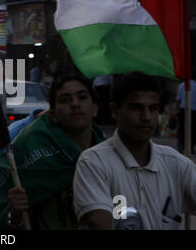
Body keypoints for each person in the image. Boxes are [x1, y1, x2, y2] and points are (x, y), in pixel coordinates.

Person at [73, 72, 196, 230]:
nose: (146, 117)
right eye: (136, 108)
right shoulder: (94, 162)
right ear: (114, 110)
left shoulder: (176, 163)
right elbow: (99, 222)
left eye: (153, 109)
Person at [0, 74, 104, 229]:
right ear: (53, 114)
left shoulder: (108, 155)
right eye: (65, 100)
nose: (75, 104)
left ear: (95, 109)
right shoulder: (27, 147)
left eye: (82, 97)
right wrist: (14, 214)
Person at [171, 78, 196, 154]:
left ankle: (181, 145)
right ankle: (190, 147)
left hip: (183, 109)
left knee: (182, 128)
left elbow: (178, 100)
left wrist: (174, 111)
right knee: (193, 130)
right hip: (194, 111)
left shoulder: (182, 85)